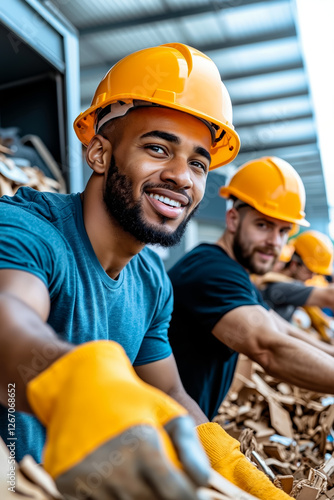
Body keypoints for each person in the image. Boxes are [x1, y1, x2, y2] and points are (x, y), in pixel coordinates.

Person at [0, 44, 290, 500]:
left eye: (198, 162)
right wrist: (73, 383)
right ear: (99, 153)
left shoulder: (151, 282)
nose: (182, 177)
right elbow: (8, 315)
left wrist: (227, 463)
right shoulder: (29, 228)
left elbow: (171, 391)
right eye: (158, 148)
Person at [168, 156, 334, 424]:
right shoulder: (212, 270)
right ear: (233, 219)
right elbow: (269, 348)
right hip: (156, 437)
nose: (274, 242)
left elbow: (284, 330)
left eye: (283, 231)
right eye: (263, 225)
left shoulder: (237, 274)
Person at [257, 230, 334, 321]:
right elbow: (330, 295)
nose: (311, 277)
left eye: (315, 274)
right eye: (309, 271)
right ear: (294, 264)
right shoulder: (282, 287)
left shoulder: (281, 284)